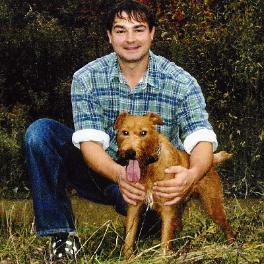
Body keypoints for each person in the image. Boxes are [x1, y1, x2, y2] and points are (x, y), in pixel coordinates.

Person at [25, 0, 218, 260]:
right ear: (109, 36)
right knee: (41, 133)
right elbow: (90, 144)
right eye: (120, 30)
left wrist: (192, 175)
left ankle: (156, 227)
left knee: (151, 228)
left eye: (138, 29)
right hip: (105, 171)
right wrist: (119, 175)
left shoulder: (181, 82)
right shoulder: (87, 78)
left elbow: (201, 139)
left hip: (154, 180)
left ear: (152, 33)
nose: (130, 39)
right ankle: (62, 236)